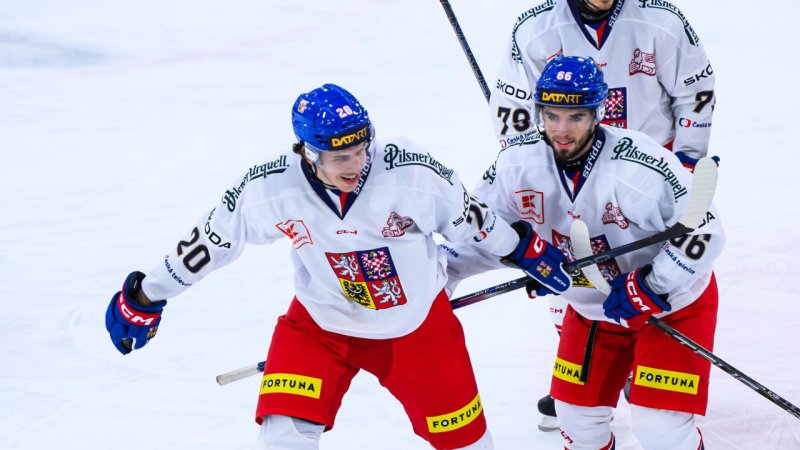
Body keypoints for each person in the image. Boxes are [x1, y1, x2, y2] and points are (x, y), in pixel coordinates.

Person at [104, 83, 574, 450]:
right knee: (283, 439)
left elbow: (473, 220)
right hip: (320, 326)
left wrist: (524, 249)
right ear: (307, 152)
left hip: (417, 329)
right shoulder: (270, 187)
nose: (355, 165)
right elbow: (209, 243)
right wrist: (147, 295)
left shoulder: (410, 172)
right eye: (339, 157)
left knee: (468, 444)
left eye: (361, 149)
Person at [444, 56, 724, 449]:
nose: (561, 130)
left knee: (660, 430)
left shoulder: (640, 165)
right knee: (576, 423)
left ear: (597, 114)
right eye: (552, 115)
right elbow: (477, 237)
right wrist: (449, 280)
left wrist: (653, 283)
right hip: (594, 310)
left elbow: (706, 230)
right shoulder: (515, 165)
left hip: (672, 305)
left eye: (575, 117)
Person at [488, 0, 718, 429]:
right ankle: (584, 381)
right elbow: (513, 108)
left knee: (652, 270)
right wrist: (533, 173)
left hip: (646, 175)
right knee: (567, 276)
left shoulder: (660, 19)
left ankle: (645, 366)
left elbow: (695, 92)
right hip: (566, 167)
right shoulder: (535, 28)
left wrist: (687, 160)